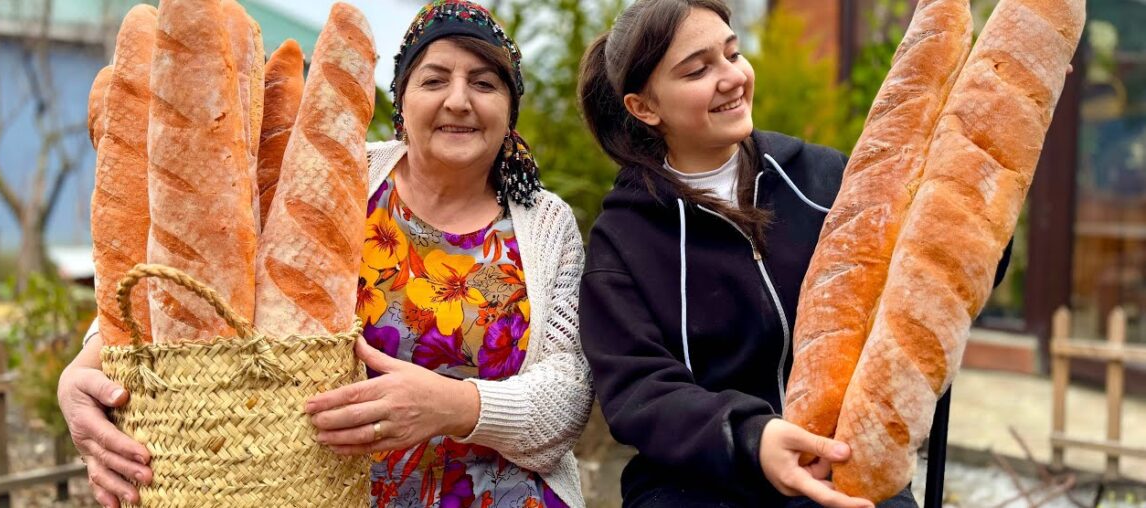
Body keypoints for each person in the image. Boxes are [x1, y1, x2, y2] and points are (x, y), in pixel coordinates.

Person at [58, 1, 592, 506]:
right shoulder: (329, 180)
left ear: (510, 110)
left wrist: (452, 406)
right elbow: (205, 282)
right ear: (402, 102)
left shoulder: (546, 225)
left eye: (484, 83)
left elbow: (568, 395)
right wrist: (82, 366)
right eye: (434, 80)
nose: (458, 100)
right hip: (316, 493)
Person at [575, 0, 1010, 507]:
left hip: (846, 469)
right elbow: (639, 390)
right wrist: (754, 439)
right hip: (699, 486)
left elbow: (943, 272)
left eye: (733, 55)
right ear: (644, 107)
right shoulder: (624, 238)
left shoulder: (821, 179)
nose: (731, 77)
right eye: (698, 70)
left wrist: (991, 136)